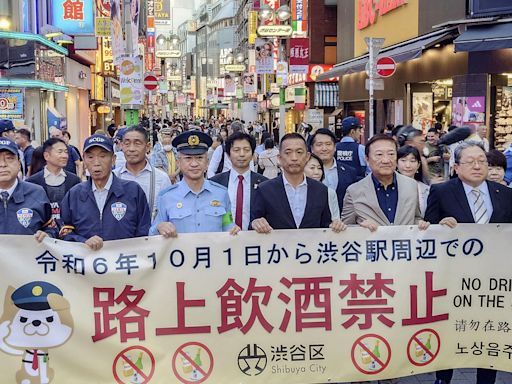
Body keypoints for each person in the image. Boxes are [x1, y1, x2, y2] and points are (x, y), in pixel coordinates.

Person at [425, 142, 512, 384]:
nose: (477, 166)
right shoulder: (442, 192)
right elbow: (427, 229)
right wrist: (440, 225)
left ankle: (487, 378)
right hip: (453, 278)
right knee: (451, 330)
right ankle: (443, 377)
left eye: (482, 161)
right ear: (455, 166)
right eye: (470, 161)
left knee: (488, 332)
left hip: (494, 281)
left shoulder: (505, 194)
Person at [60, 134, 151, 250]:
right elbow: (64, 232)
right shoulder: (74, 194)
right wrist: (83, 241)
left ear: (113, 159)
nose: (96, 162)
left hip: (124, 263)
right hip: (87, 264)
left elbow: (144, 231)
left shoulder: (133, 191)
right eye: (90, 157)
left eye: (102, 156)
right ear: (84, 159)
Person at [150, 131, 240, 236]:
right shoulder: (166, 197)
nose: (194, 164)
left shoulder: (221, 193)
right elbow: (152, 235)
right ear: (178, 163)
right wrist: (159, 227)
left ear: (207, 162)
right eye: (188, 158)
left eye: (199, 158)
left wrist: (233, 229)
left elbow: (227, 224)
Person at [250, 133, 345, 233]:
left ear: (307, 156)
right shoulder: (265, 190)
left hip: (310, 247)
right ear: (279, 158)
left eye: (299, 152)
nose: (294, 158)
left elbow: (325, 224)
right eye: (288, 153)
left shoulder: (321, 190)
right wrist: (255, 223)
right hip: (277, 248)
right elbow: (253, 224)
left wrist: (334, 225)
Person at [342, 134, 429, 231]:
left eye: (391, 154)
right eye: (379, 155)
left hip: (402, 245)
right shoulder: (354, 191)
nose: (386, 160)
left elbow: (416, 217)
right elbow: (346, 229)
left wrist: (420, 224)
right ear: (367, 159)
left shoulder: (411, 185)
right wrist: (361, 228)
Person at [210, 132, 267, 230]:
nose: (242, 154)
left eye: (246, 150)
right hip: (223, 240)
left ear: (252, 154)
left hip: (254, 240)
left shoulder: (265, 184)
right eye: (236, 150)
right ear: (228, 154)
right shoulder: (215, 183)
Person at [0, 137, 54, 240]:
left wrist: (48, 235)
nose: (3, 165)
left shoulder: (37, 193)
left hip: (28, 255)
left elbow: (51, 227)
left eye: (9, 158)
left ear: (19, 163)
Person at [115, 126, 172, 220]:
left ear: (147, 147)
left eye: (137, 144)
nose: (131, 149)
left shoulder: (161, 178)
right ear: (121, 146)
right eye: (127, 144)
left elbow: (167, 211)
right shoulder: (113, 176)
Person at [26, 138, 81, 227]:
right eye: (60, 152)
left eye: (66, 152)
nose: (64, 156)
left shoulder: (74, 181)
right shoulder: (32, 182)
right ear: (46, 156)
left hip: (69, 233)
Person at [310, 128, 358, 213]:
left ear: (335, 147)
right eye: (319, 145)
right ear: (312, 148)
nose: (324, 148)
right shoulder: (304, 172)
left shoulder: (350, 172)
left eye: (328, 144)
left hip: (343, 222)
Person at [304, 153, 340, 220]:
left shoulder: (329, 192)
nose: (317, 172)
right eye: (312, 168)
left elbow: (336, 219)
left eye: (319, 168)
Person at [397, 145, 430, 217]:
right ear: (396, 164)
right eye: (403, 160)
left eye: (412, 161)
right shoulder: (389, 188)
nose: (408, 165)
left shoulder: (427, 190)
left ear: (418, 165)